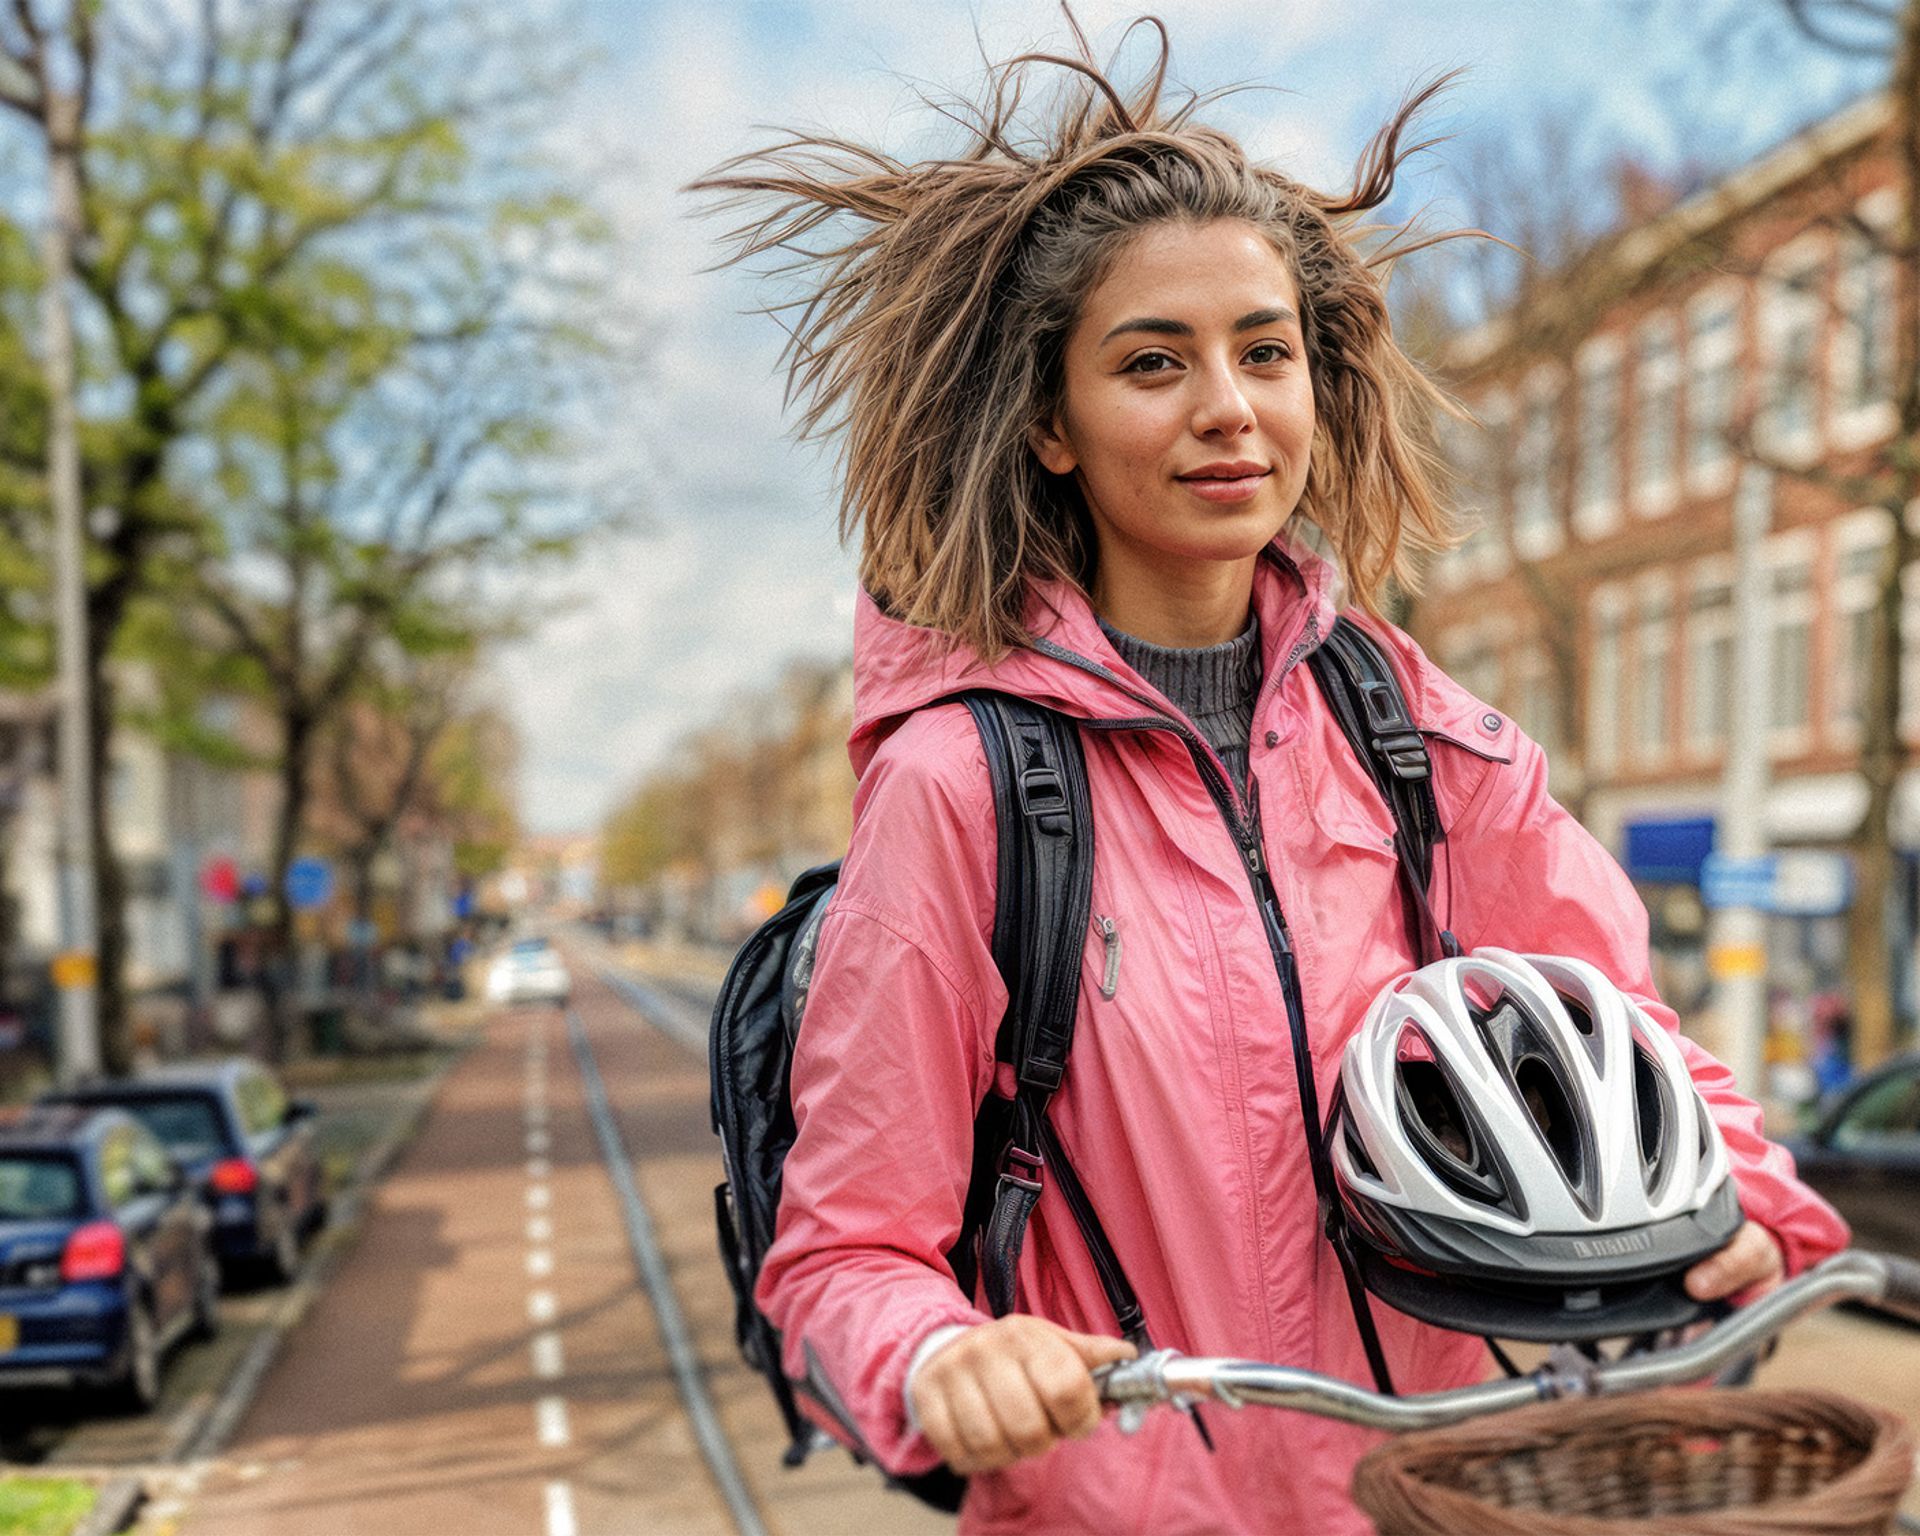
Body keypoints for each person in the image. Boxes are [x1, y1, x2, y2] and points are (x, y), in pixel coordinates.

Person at [696, 19, 1847, 1535]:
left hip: (1448, 1496)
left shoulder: (1425, 738)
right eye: (1152, 363)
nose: (1227, 407)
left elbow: (1619, 1044)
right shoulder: (961, 788)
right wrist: (942, 1356)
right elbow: (845, 1250)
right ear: (1050, 423)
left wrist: (1749, 1206)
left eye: (1263, 350)